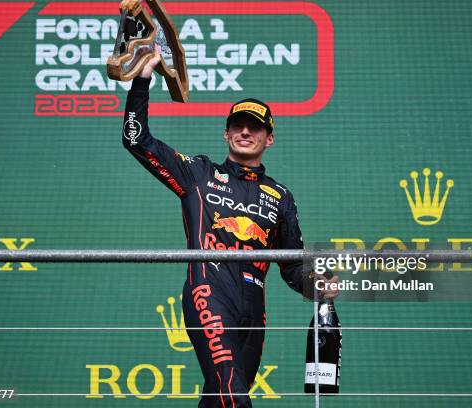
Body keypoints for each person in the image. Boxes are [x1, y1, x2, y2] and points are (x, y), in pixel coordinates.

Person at [122, 46, 338, 407]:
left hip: (254, 306)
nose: (245, 131)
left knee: (221, 396)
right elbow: (136, 139)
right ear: (226, 134)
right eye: (237, 125)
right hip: (209, 291)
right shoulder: (199, 173)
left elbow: (292, 266)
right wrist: (142, 80)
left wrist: (317, 283)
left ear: (269, 138)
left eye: (255, 127)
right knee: (232, 393)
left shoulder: (280, 196)